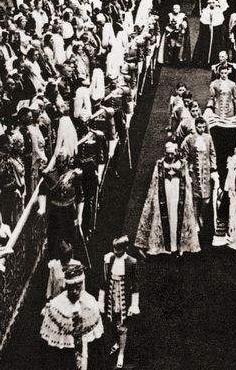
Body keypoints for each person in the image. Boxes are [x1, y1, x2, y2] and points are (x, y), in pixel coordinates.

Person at [135, 140, 200, 256]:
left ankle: (176, 247)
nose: (170, 156)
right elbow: (154, 182)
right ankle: (163, 246)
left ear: (176, 152)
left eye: (172, 153)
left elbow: (187, 182)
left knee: (175, 218)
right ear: (165, 153)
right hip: (163, 196)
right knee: (165, 217)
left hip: (177, 196)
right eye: (168, 153)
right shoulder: (160, 164)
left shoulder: (182, 164)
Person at [39, 262, 105, 370]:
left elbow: (97, 346)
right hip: (66, 356)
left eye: (77, 288)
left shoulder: (91, 304)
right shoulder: (56, 307)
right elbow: (49, 350)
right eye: (71, 288)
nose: (74, 291)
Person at [99, 236, 139, 369]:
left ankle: (121, 353)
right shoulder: (109, 260)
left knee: (122, 326)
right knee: (112, 323)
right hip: (112, 299)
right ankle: (117, 343)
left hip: (124, 301)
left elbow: (134, 285)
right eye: (115, 249)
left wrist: (134, 304)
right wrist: (101, 301)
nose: (116, 252)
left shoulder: (131, 262)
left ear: (126, 248)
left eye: (119, 249)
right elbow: (104, 282)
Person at [180, 117, 217, 231]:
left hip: (205, 171)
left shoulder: (208, 138)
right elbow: (184, 154)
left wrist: (213, 168)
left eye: (203, 127)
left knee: (206, 199)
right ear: (195, 127)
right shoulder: (190, 139)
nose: (201, 129)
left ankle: (201, 215)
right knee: (195, 198)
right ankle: (195, 220)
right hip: (194, 172)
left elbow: (212, 153)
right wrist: (186, 168)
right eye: (199, 127)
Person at [193, 0, 226, 67]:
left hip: (216, 31)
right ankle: (204, 61)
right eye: (210, 3)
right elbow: (202, 22)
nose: (212, 4)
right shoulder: (205, 11)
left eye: (213, 3)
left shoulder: (218, 11)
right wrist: (208, 25)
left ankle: (214, 61)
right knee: (205, 44)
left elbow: (220, 22)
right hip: (206, 31)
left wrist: (215, 25)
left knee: (216, 44)